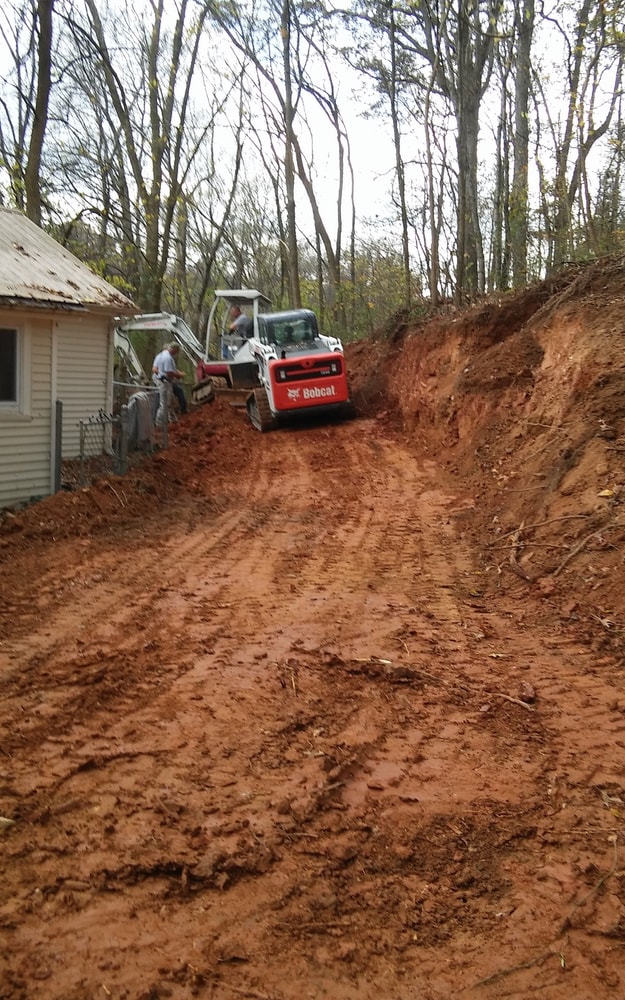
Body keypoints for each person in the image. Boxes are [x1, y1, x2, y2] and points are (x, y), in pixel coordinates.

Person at [152, 343, 186, 424]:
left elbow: (170, 370)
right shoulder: (167, 358)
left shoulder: (161, 355)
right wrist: (179, 375)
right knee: (165, 403)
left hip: (165, 381)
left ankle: (173, 420)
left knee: (171, 402)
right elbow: (169, 373)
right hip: (164, 382)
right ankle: (159, 423)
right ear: (174, 350)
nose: (176, 354)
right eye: (176, 352)